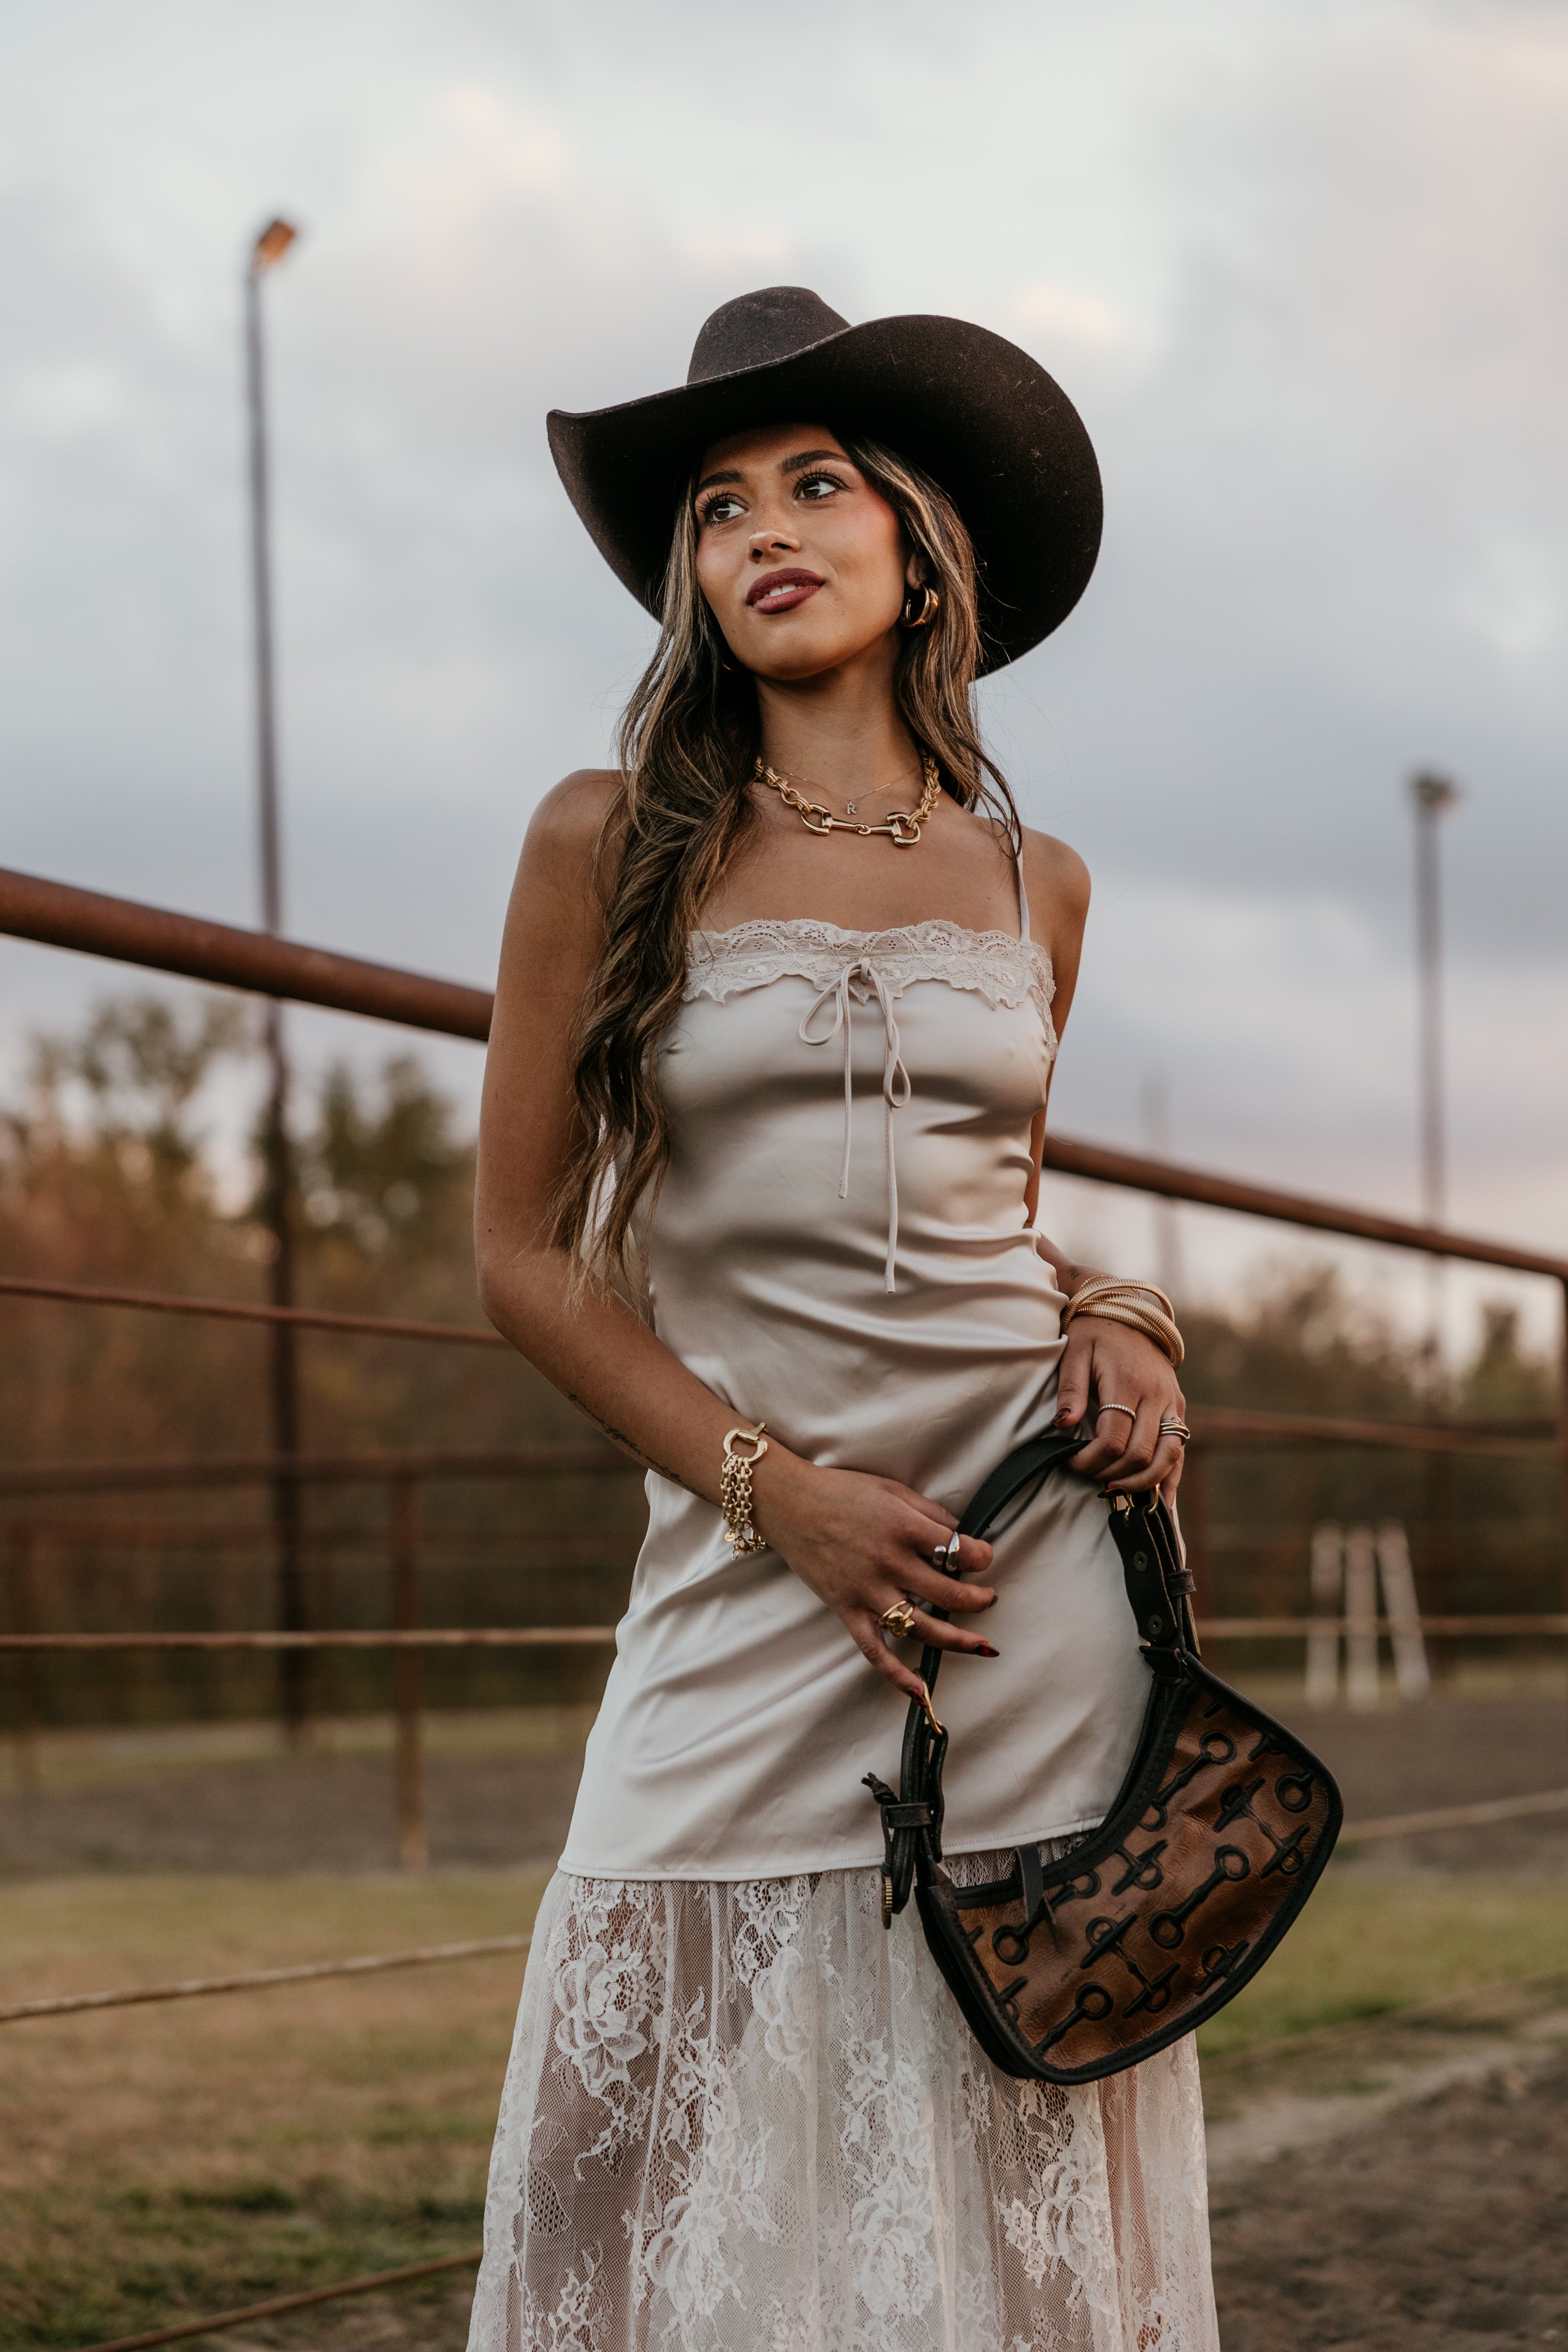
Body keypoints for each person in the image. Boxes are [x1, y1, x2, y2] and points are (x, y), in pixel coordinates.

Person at [467, 287, 1218, 2352]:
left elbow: (995, 1229)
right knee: (620, 2173)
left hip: (1018, 1587)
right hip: (747, 1580)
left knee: (1004, 2126)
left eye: (814, 484)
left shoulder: (1033, 877)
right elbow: (524, 1256)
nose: (762, 531)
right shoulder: (599, 844)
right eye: (717, 508)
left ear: (918, 545)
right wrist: (770, 1491)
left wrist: (1134, 1320)